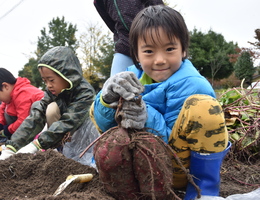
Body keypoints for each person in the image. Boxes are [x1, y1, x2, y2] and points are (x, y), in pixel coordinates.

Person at [91, 5, 231, 200]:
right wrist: (107, 99)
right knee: (114, 142)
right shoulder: (132, 78)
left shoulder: (191, 85)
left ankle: (203, 193)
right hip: (144, 168)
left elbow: (169, 146)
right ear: (136, 54)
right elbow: (104, 129)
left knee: (203, 107)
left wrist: (145, 115)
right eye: (148, 51)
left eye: (169, 49)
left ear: (183, 50)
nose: (159, 60)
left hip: (179, 169)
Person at [0, 46, 99, 167]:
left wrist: (38, 144)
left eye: (51, 80)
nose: (48, 85)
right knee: (39, 106)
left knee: (52, 110)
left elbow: (68, 121)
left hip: (84, 136)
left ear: (67, 75)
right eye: (45, 81)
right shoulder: (52, 91)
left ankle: (65, 151)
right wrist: (12, 146)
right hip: (63, 131)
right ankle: (59, 149)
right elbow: (36, 115)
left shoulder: (85, 93)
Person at [94, 0, 163, 77]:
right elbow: (110, 22)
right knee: (115, 82)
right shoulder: (99, 1)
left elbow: (159, 10)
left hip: (152, 41)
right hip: (124, 45)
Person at [0, 68, 44, 143]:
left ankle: (31, 140)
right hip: (29, 123)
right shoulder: (11, 94)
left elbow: (23, 121)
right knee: (7, 111)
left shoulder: (23, 93)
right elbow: (1, 109)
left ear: (5, 86)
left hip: (42, 123)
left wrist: (7, 130)